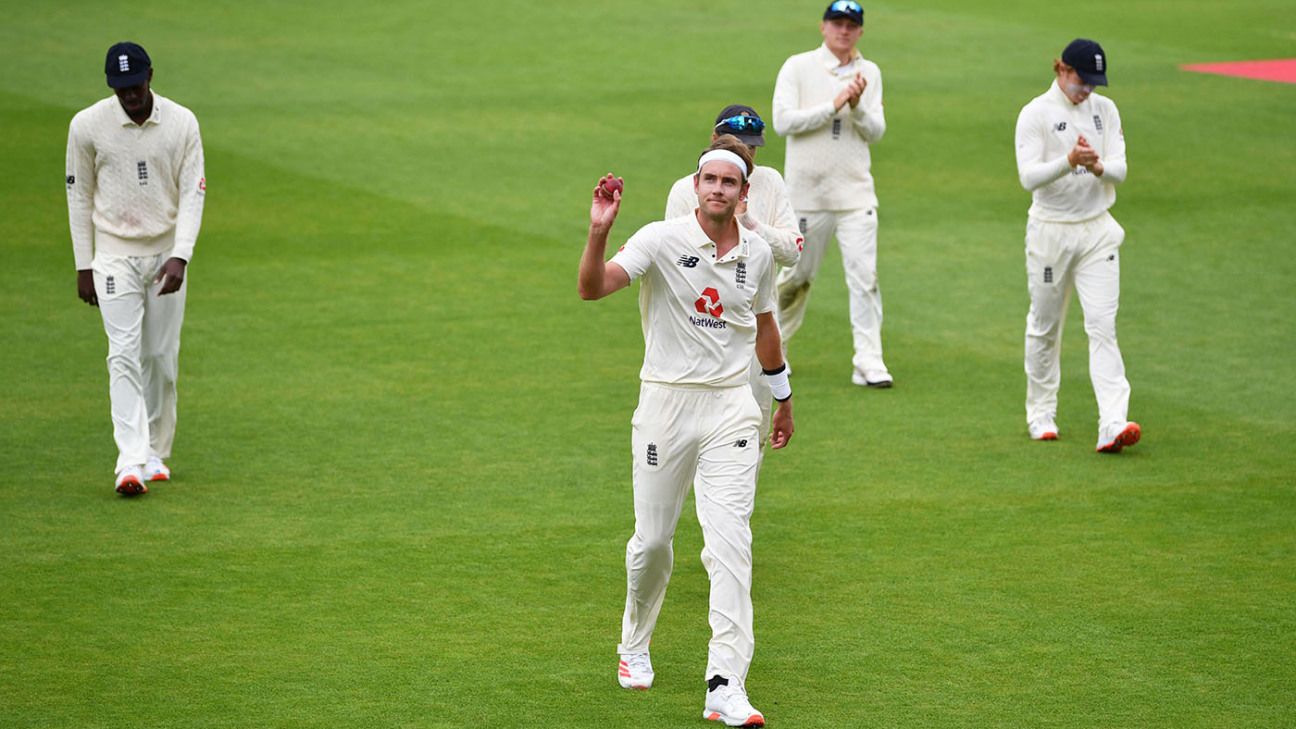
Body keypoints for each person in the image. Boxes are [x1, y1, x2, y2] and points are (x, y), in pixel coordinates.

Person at [579, 144, 794, 728]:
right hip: (665, 405)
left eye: (730, 182)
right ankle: (634, 642)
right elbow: (593, 288)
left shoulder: (757, 254)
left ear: (744, 195)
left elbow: (765, 326)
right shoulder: (660, 238)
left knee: (730, 546)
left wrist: (781, 397)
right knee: (652, 542)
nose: (719, 189)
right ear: (696, 185)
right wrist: (599, 232)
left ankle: (725, 684)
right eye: (710, 180)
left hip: (730, 409)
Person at [66, 41, 206, 494]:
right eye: (120, 87)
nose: (129, 95)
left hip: (165, 252)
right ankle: (130, 460)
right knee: (121, 354)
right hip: (113, 255)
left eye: (134, 85)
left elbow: (193, 193)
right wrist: (83, 264)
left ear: (151, 76)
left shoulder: (182, 122)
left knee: (160, 357)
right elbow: (78, 196)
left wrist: (181, 254)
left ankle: (157, 452)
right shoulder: (87, 126)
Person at [1014, 38, 1140, 453]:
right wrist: (1069, 161)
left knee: (1102, 326)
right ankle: (1041, 413)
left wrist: (1097, 165)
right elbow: (1029, 178)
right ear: (1062, 69)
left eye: (1094, 82)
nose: (1088, 90)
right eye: (1082, 80)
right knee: (1045, 326)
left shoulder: (1105, 110)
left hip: (1097, 231)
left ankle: (1112, 423)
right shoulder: (1035, 114)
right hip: (1051, 232)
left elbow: (1119, 168)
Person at [665, 107, 802, 462]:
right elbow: (678, 259)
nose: (746, 156)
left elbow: (793, 252)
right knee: (689, 441)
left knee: (750, 435)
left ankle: (733, 518)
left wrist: (751, 225)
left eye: (753, 149)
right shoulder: (685, 190)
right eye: (739, 145)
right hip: (700, 333)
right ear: (714, 141)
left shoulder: (769, 182)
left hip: (755, 327)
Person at [771, 0, 892, 387]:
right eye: (837, 23)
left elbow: (876, 131)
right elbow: (783, 122)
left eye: (851, 25)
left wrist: (855, 107)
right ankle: (774, 352)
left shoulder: (869, 72)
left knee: (865, 277)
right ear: (823, 27)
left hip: (856, 195)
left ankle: (869, 362)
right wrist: (833, 104)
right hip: (807, 195)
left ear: (860, 31)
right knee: (796, 278)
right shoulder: (798, 66)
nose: (844, 30)